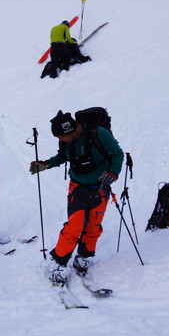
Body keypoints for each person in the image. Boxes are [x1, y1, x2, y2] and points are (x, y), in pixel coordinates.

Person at [29, 110, 124, 285]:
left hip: (100, 188)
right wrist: (46, 164)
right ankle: (59, 262)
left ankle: (83, 257)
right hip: (78, 188)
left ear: (70, 131)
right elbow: (63, 157)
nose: (61, 141)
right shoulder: (68, 142)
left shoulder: (99, 134)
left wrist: (114, 172)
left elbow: (118, 154)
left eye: (61, 137)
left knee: (93, 226)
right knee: (74, 226)